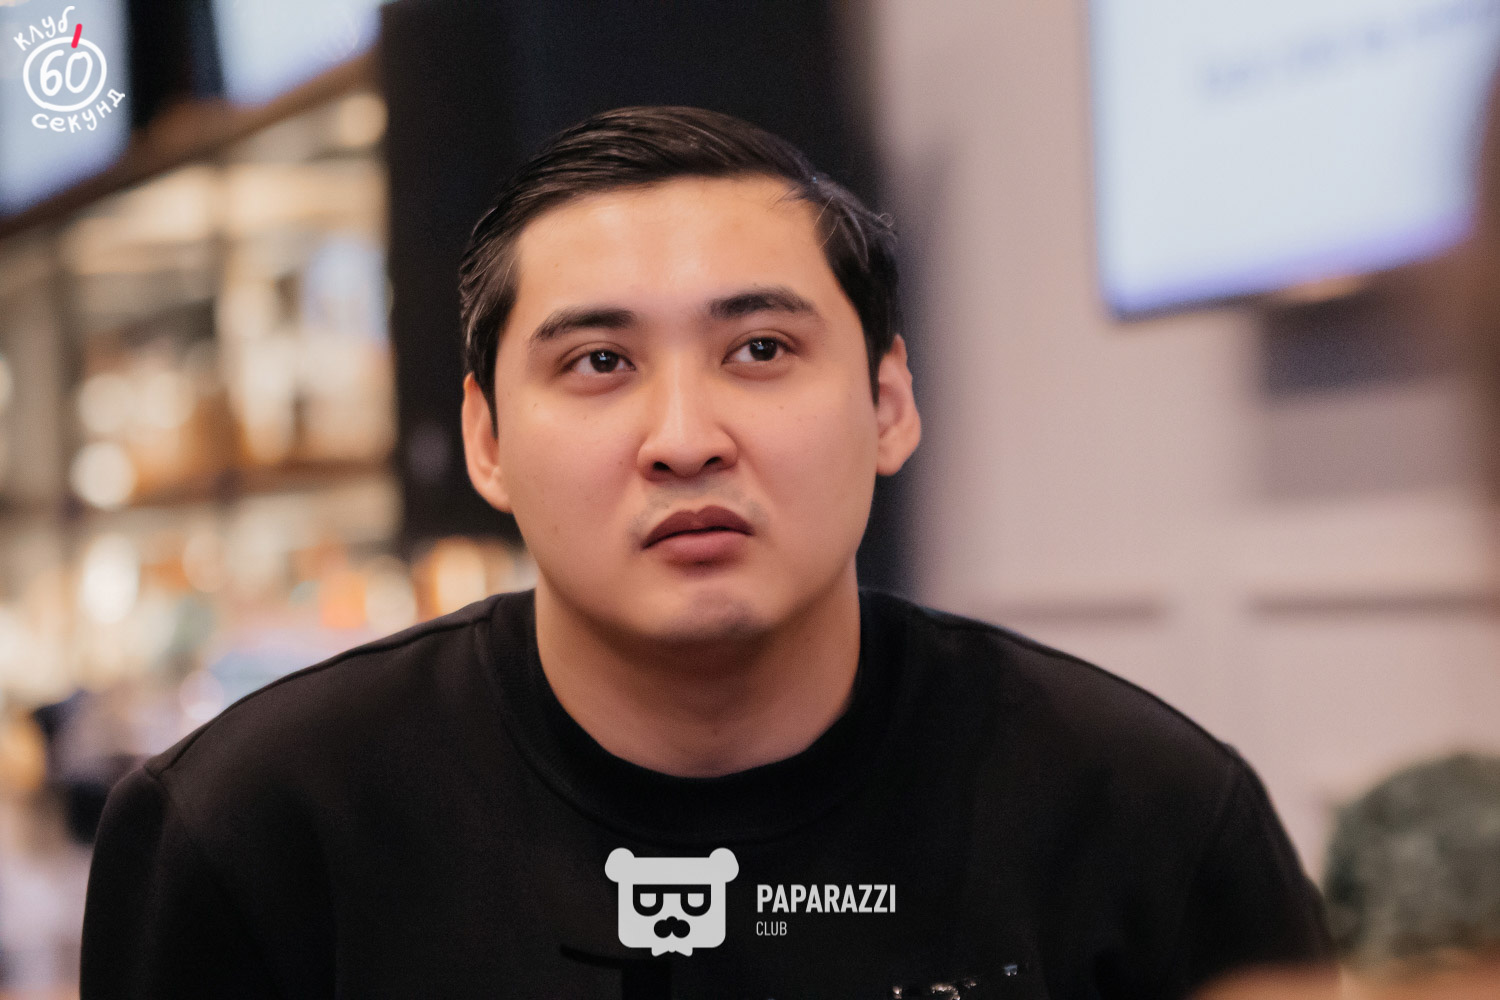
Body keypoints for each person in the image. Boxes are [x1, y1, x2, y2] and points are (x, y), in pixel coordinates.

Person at [79, 106, 1330, 999]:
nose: (685, 438)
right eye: (599, 362)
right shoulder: (253, 830)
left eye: (761, 351)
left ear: (889, 401)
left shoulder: (1151, 821)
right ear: (486, 439)